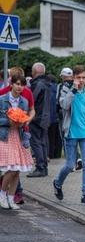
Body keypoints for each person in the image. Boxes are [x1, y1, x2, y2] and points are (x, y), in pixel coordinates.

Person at [53, 64, 85, 206]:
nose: (81, 80)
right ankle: (58, 183)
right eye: (78, 77)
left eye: (84, 77)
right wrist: (73, 89)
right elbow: (64, 105)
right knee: (70, 165)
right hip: (71, 133)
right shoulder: (66, 90)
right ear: (73, 78)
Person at [0, 67, 34, 206]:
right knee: (11, 168)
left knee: (17, 170)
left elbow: (27, 116)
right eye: (17, 84)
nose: (20, 87)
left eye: (22, 85)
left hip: (19, 136)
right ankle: (2, 194)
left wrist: (22, 122)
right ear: (11, 84)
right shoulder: (2, 99)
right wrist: (9, 121)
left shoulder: (24, 102)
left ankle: (11, 197)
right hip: (5, 136)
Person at [27, 63, 52, 177]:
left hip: (37, 117)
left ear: (34, 72)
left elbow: (32, 99)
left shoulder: (38, 83)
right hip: (46, 117)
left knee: (36, 143)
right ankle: (44, 168)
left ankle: (40, 168)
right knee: (42, 143)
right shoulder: (47, 83)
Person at [47, 70, 64, 160]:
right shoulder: (58, 88)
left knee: (50, 137)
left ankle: (50, 154)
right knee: (58, 137)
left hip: (50, 117)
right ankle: (57, 153)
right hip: (58, 116)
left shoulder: (47, 89)